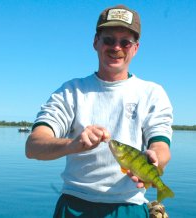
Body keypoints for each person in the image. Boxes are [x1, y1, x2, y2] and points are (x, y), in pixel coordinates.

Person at [25, 4, 173, 218]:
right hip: (74, 206)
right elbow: (33, 146)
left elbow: (161, 146)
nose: (116, 47)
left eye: (125, 42)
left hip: (129, 207)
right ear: (96, 42)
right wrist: (73, 145)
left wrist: (155, 159)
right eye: (109, 40)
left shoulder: (152, 93)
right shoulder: (71, 91)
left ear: (136, 48)